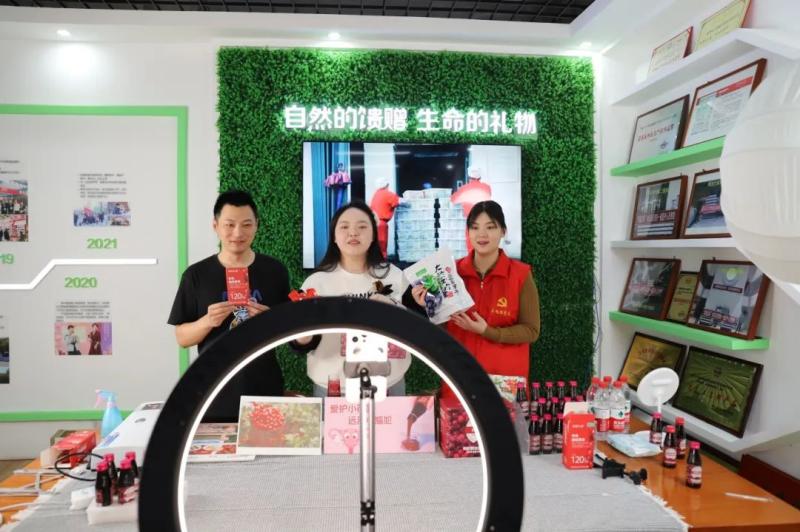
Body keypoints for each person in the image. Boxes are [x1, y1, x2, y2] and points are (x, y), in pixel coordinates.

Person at [168, 190, 290, 421]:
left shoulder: (275, 271)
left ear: (257, 225)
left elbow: (290, 332)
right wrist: (208, 321)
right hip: (213, 388)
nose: (238, 233)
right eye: (229, 224)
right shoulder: (196, 275)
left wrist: (270, 320)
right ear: (215, 226)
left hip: (264, 386)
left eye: (246, 224)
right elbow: (182, 338)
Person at [413, 200, 540, 399]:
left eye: (490, 227)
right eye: (475, 227)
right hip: (460, 376)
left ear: (503, 231)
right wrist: (428, 306)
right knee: (457, 419)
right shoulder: (449, 273)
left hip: (505, 381)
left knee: (502, 421)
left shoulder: (520, 275)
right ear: (468, 232)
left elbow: (531, 331)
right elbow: (439, 332)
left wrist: (487, 331)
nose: (482, 234)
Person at [294, 201, 421, 397]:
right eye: (344, 227)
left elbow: (417, 328)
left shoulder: (395, 276)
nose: (353, 233)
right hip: (332, 387)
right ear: (334, 236)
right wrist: (302, 337)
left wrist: (396, 311)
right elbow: (301, 344)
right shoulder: (315, 283)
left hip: (389, 384)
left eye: (362, 227)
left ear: (373, 235)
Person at [450, 167, 492, 254]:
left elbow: (453, 200)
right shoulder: (487, 187)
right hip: (485, 218)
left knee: (471, 241)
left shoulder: (464, 189)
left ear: (469, 176)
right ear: (480, 177)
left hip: (472, 219)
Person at [369, 178, 402, 259]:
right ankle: (382, 260)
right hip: (381, 223)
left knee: (375, 242)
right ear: (387, 185)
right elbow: (398, 201)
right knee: (382, 242)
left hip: (373, 221)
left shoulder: (376, 194)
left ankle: (375, 259)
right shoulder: (386, 194)